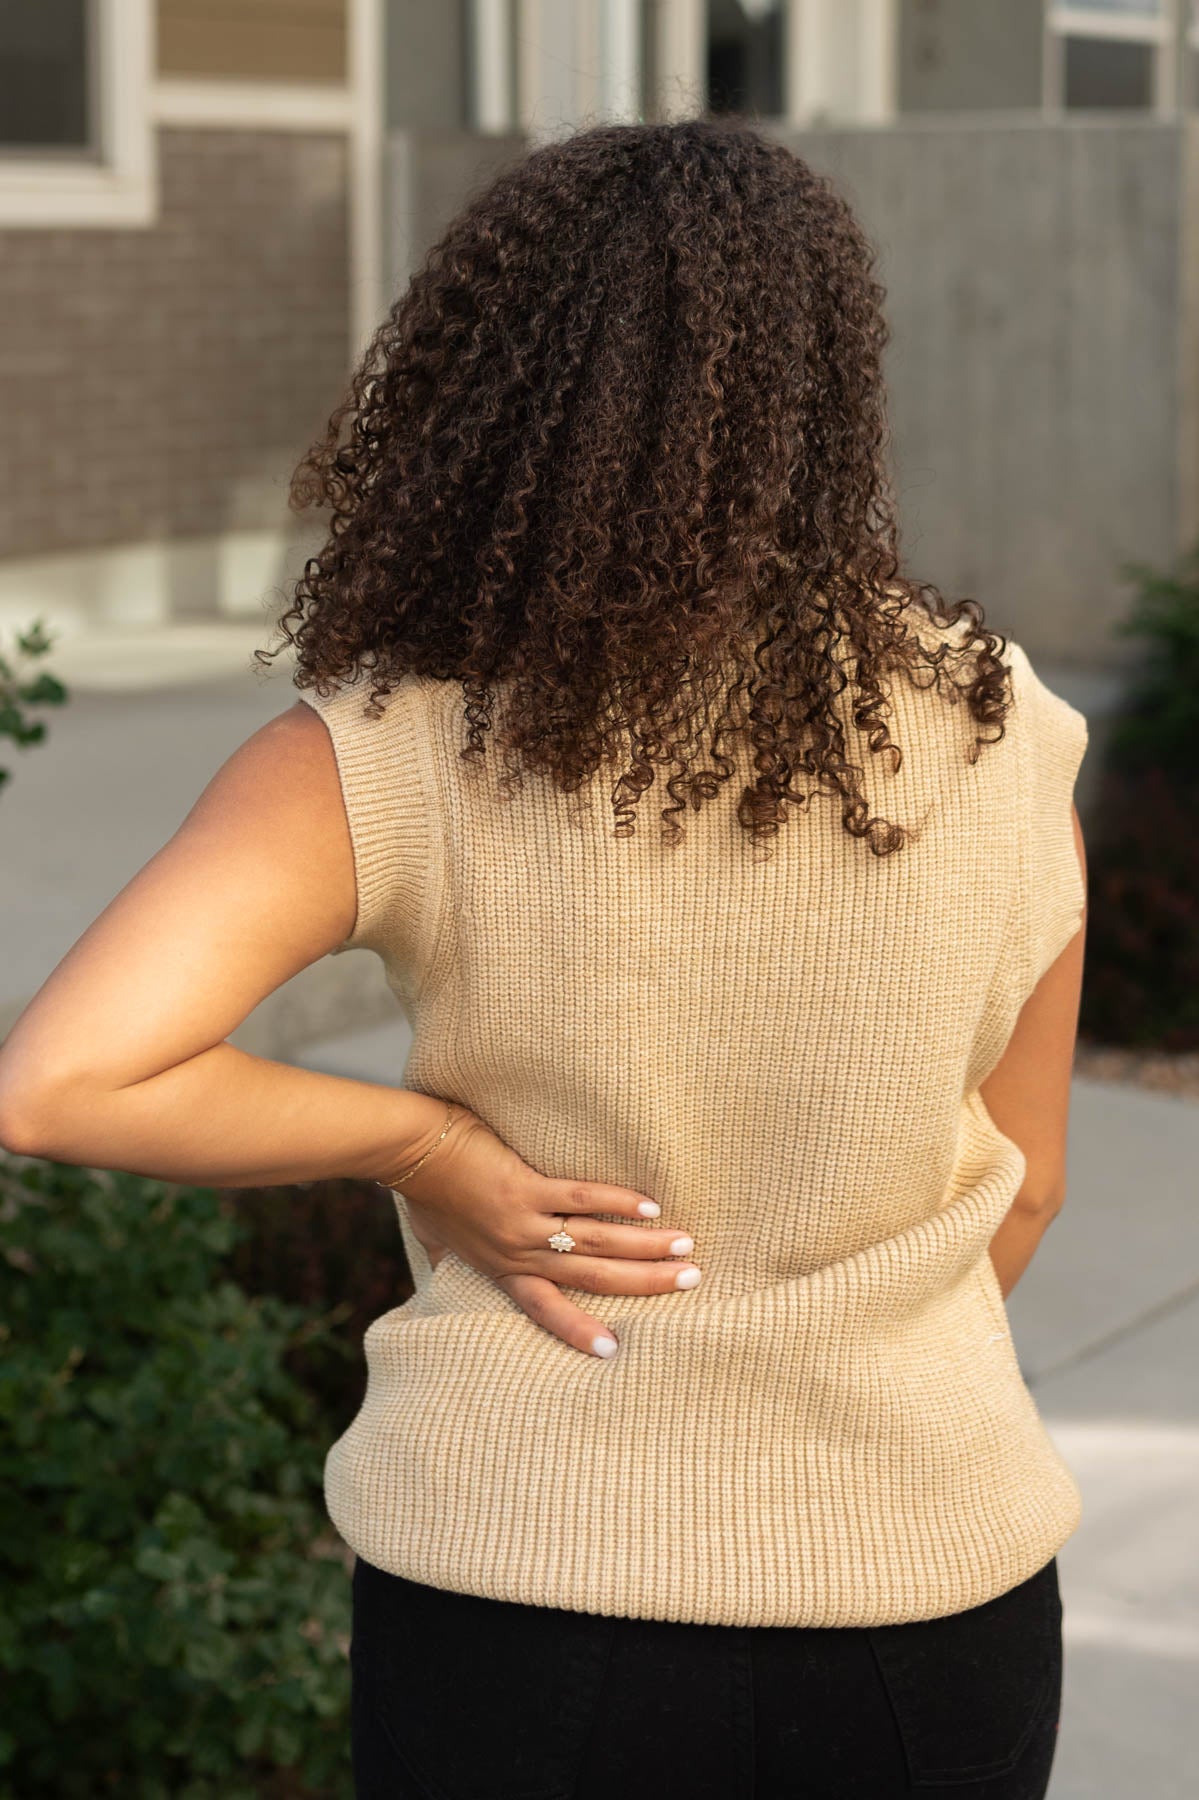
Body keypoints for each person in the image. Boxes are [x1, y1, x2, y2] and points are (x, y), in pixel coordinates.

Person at [0, 119, 1088, 1798]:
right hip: (928, 1604)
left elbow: (67, 1079)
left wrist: (430, 1149)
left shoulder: (405, 744)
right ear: (823, 397)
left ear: (482, 396)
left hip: (525, 1607)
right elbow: (1022, 1191)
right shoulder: (1003, 732)